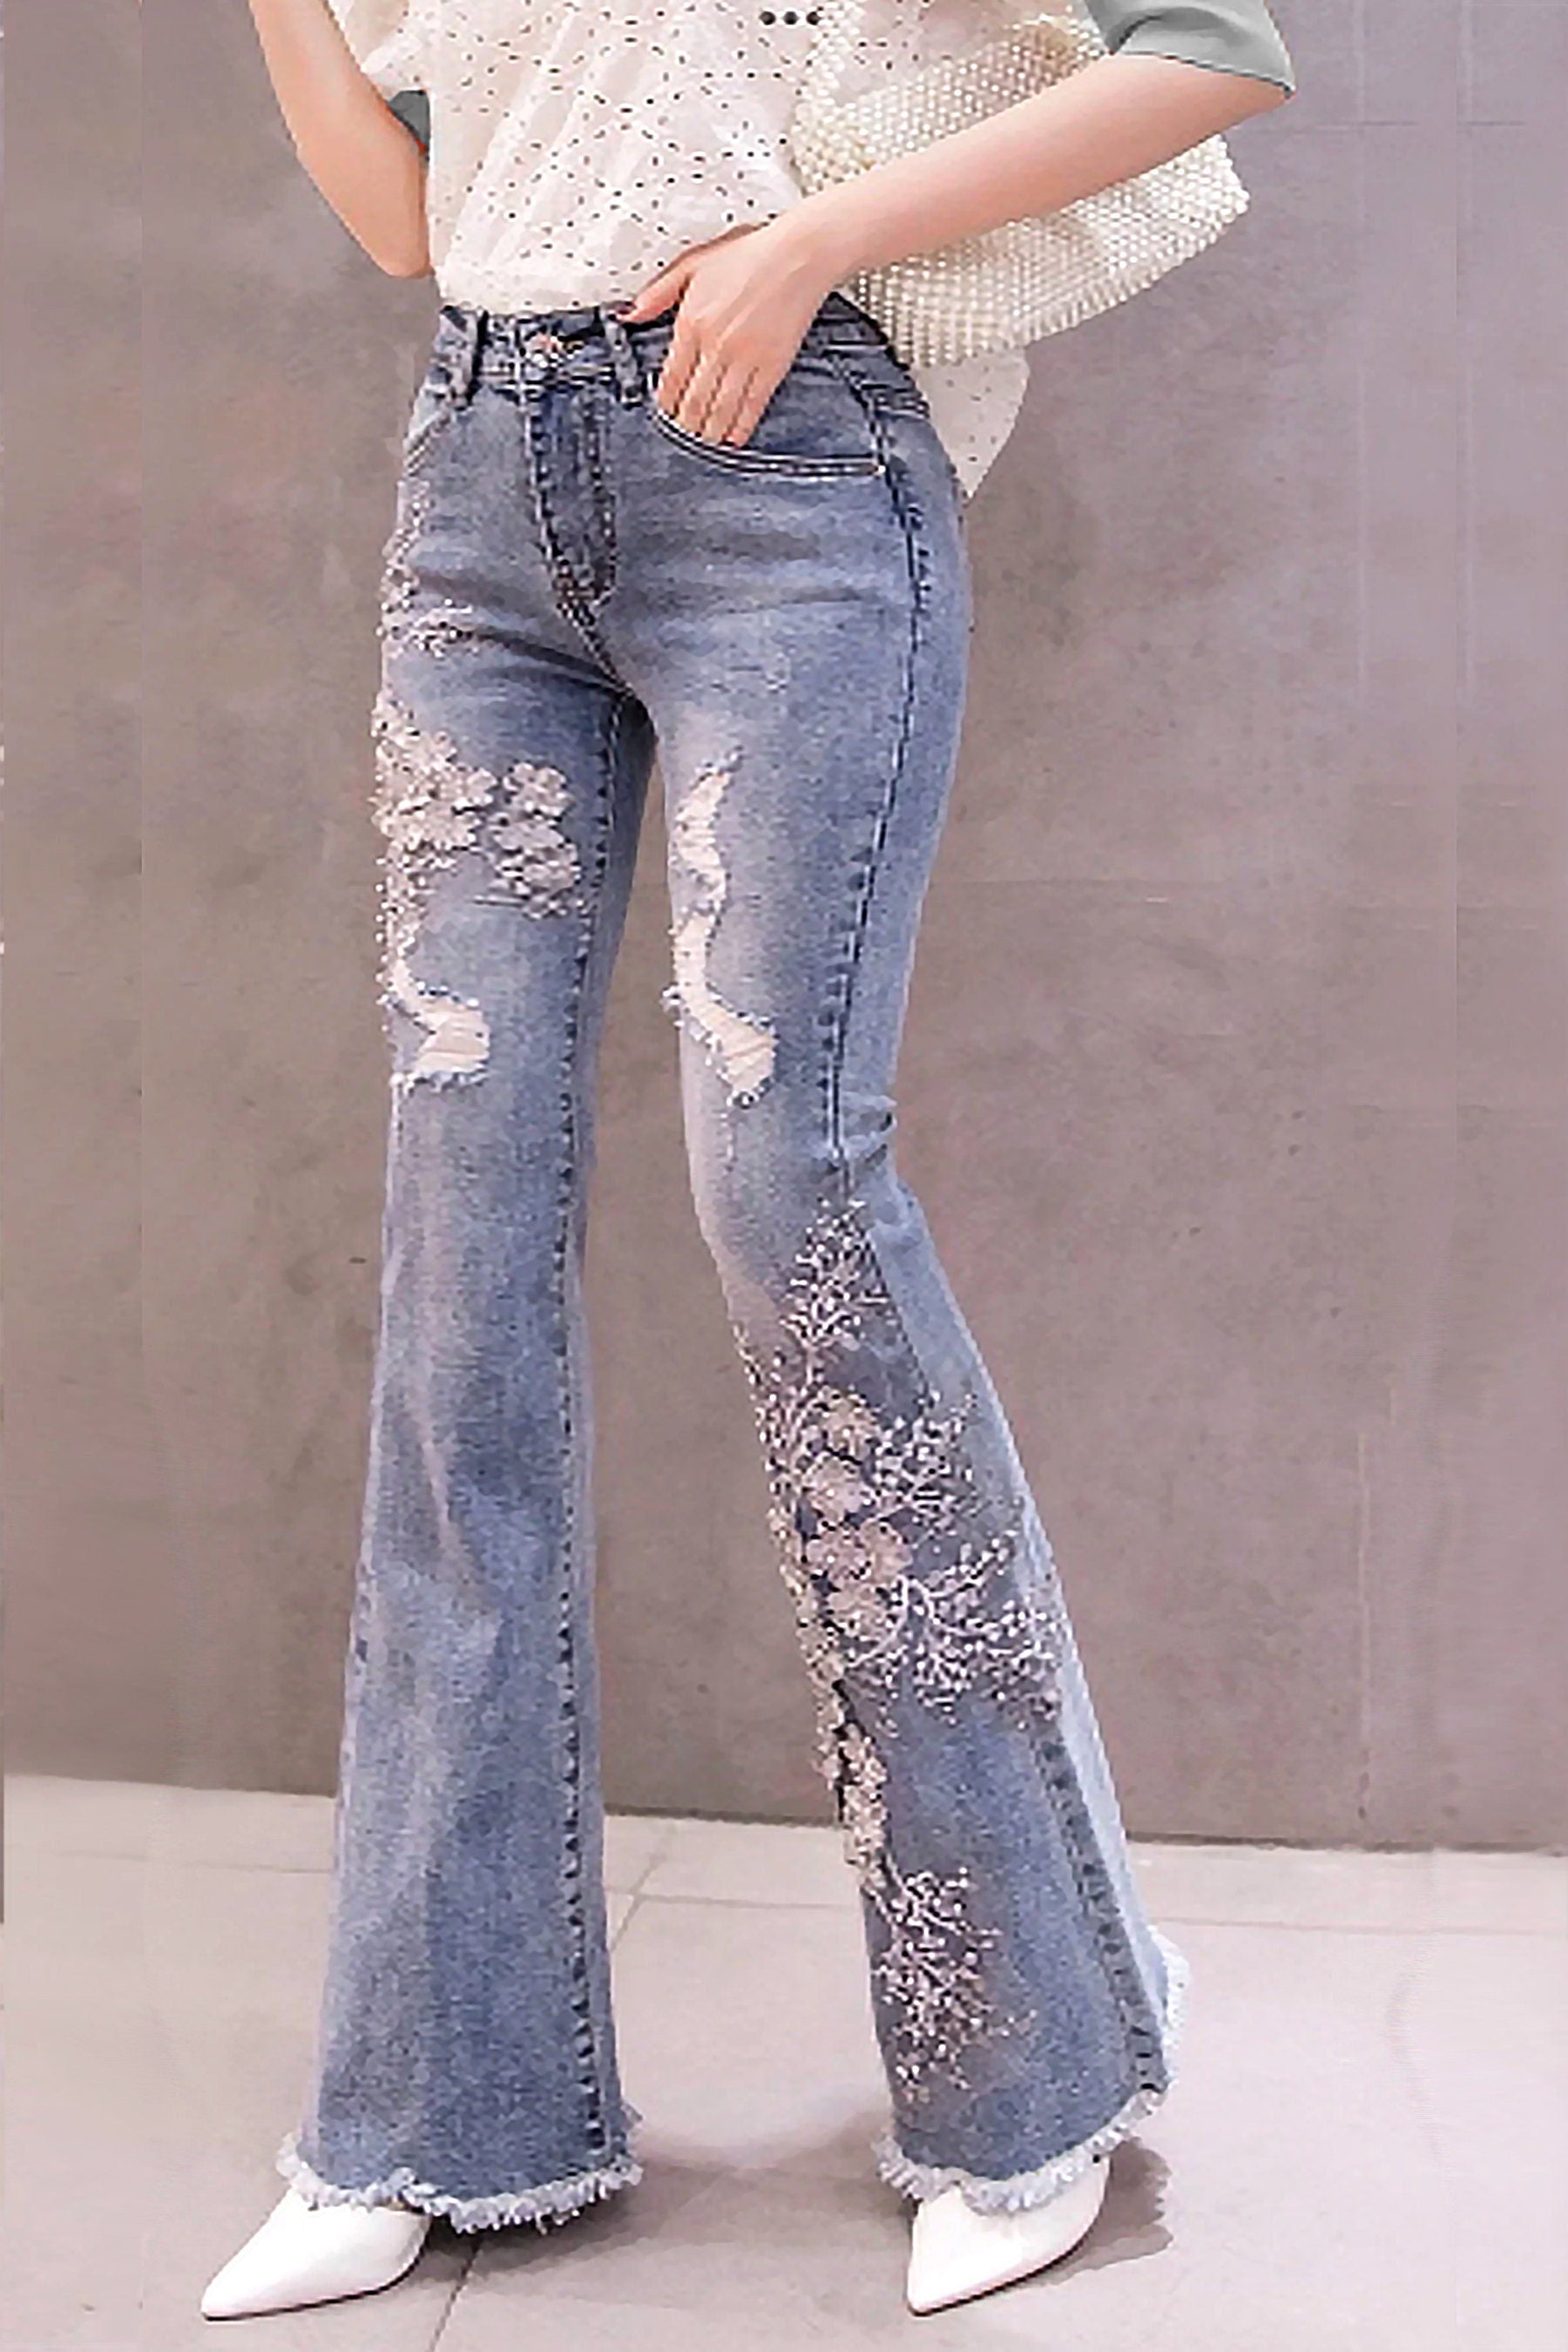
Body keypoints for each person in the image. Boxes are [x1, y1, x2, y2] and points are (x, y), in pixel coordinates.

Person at [204, 0, 1295, 2322]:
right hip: (477, 496)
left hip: (791, 476)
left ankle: (1032, 2060)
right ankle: (432, 2103)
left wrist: (815, 243)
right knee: (458, 1260)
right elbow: (410, 212)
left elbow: (1214, 52)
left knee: (787, 1193)